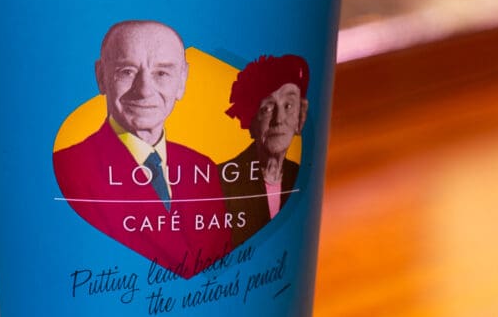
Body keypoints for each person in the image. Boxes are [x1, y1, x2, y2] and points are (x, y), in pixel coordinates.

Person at [54, 19, 242, 277]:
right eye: (127, 71)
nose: (144, 90)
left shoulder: (200, 166)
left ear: (182, 81)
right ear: (101, 76)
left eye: (162, 73)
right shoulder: (70, 167)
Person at [222, 55, 310, 222]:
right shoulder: (222, 184)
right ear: (250, 119)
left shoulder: (300, 175)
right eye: (267, 108)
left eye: (288, 106)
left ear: (301, 116)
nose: (278, 119)